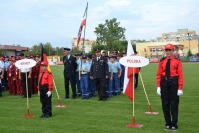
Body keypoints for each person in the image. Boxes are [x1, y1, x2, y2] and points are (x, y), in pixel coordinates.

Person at [156, 44, 184, 131]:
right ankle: (167, 123)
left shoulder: (177, 61)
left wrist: (180, 88)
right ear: (165, 51)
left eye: (170, 50)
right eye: (166, 50)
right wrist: (158, 86)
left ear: (173, 51)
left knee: (174, 104)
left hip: (173, 82)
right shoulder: (162, 61)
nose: (168, 52)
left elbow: (180, 75)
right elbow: (158, 75)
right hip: (164, 82)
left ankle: (174, 124)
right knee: (165, 104)